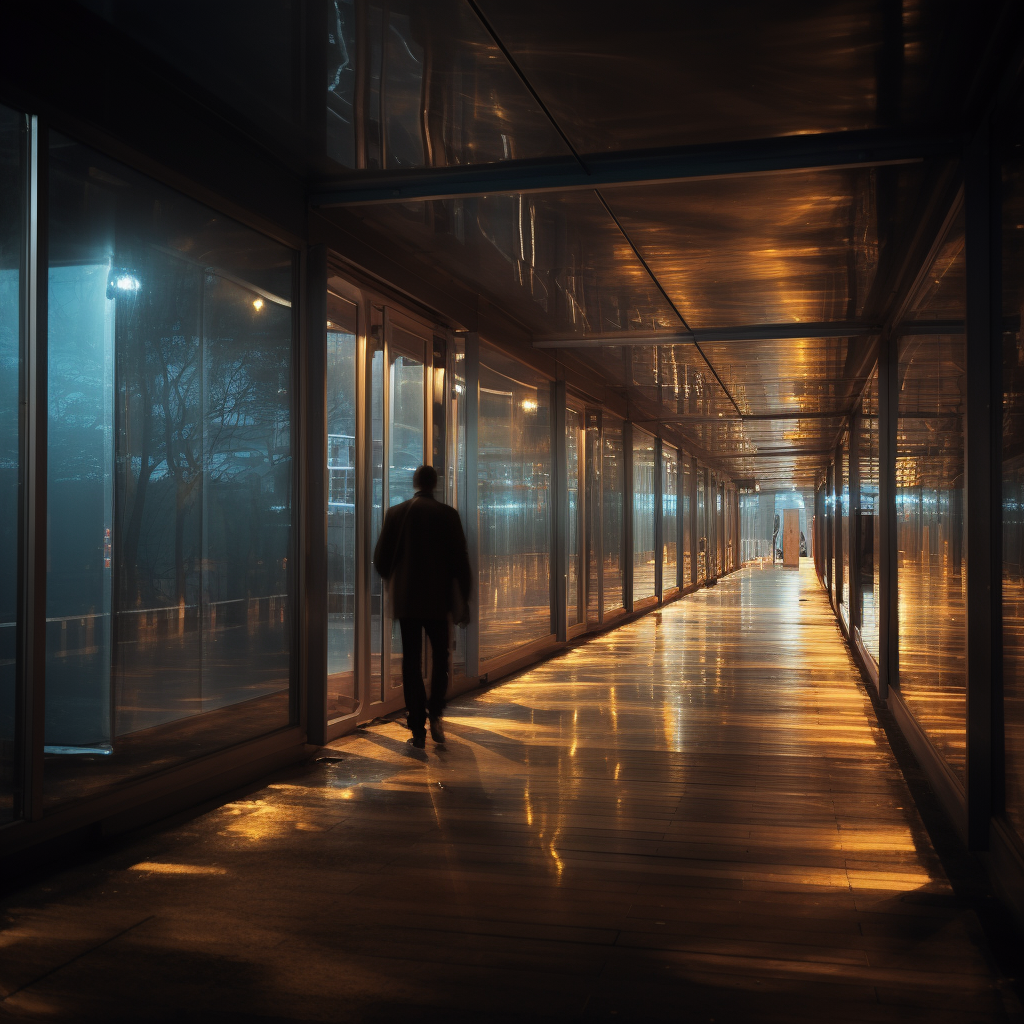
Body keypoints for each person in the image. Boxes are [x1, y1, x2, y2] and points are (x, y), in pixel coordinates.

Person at [372, 465, 472, 750]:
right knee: (442, 657)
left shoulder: (396, 513)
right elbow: (460, 562)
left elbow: (380, 559)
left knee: (411, 662)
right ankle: (436, 711)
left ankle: (417, 728)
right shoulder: (448, 515)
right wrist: (463, 599)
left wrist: (399, 579)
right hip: (438, 601)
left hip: (407, 602)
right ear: (435, 484)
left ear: (414, 482)